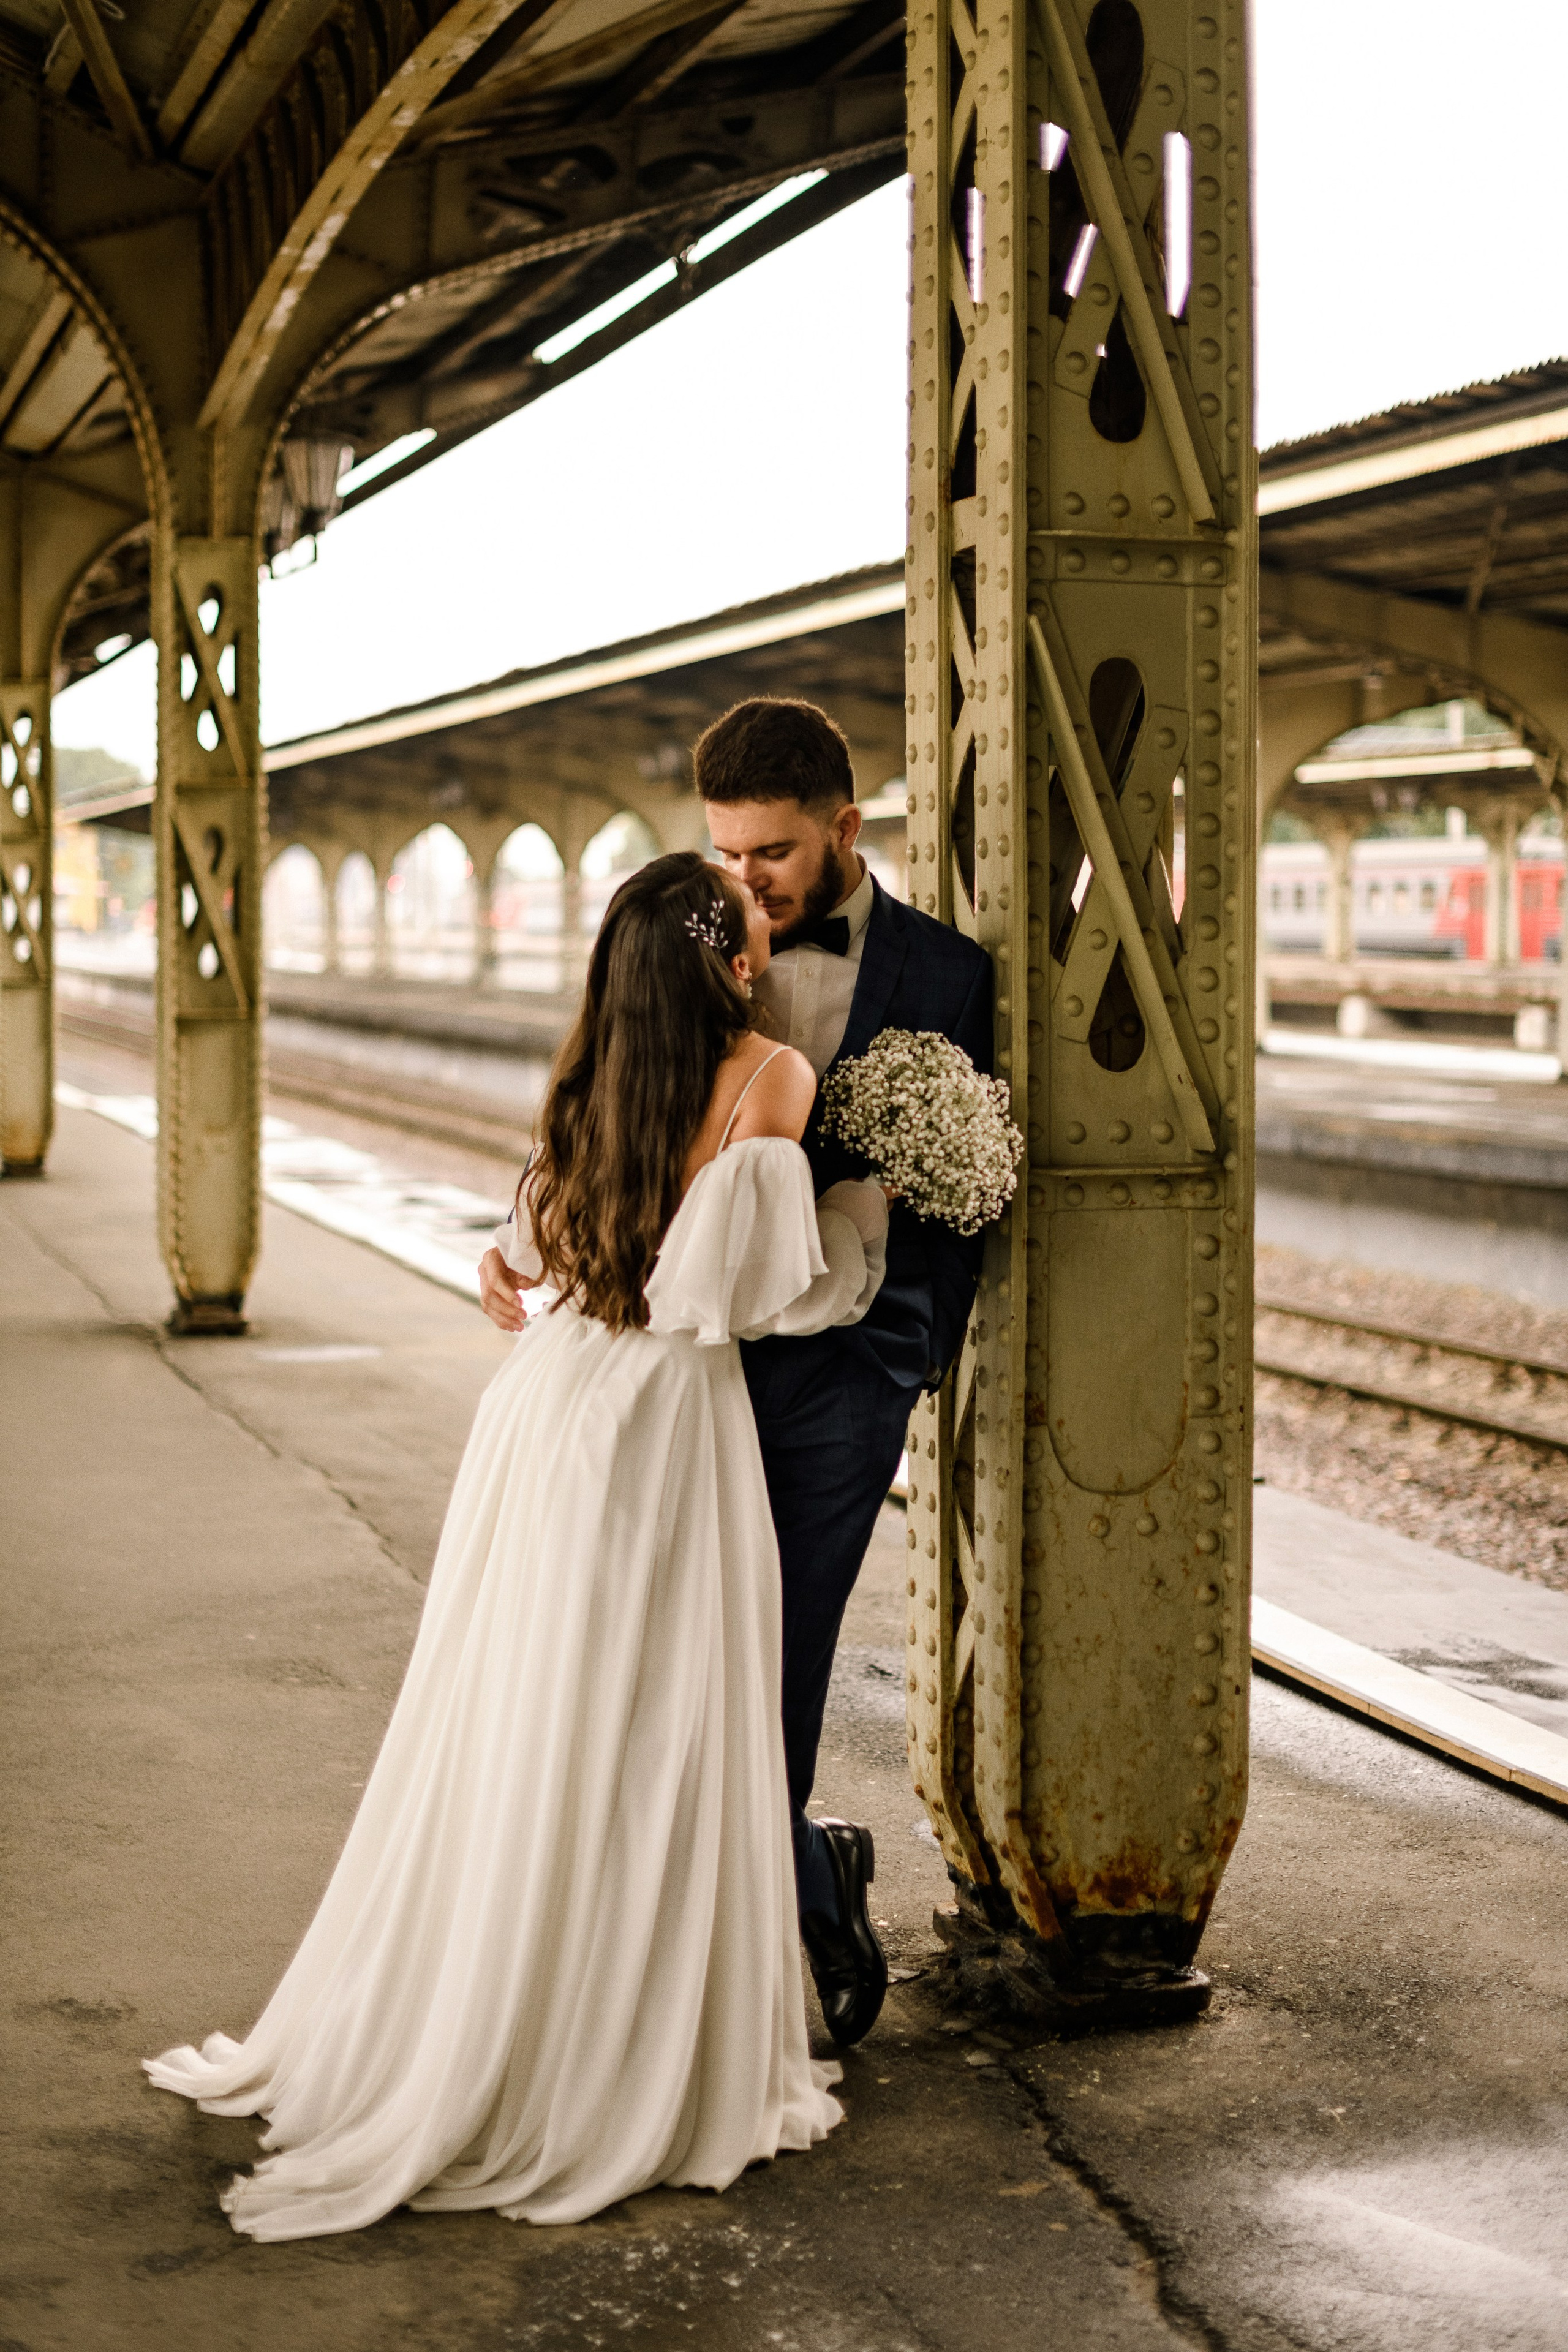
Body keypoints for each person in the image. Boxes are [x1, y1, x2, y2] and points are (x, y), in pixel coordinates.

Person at [145, 853, 891, 2240]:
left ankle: (504, 2001)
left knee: (534, 1711)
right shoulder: (770, 1079)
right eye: (747, 936)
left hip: (548, 1410)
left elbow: (541, 1248)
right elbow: (758, 1299)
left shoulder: (591, 1081)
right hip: (670, 1427)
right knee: (658, 1720)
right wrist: (864, 1230)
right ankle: (615, 2033)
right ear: (731, 964)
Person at [484, 699, 992, 2052]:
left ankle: (749, 1931)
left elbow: (973, 1182)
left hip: (835, 1378)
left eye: (769, 852)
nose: (744, 882)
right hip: (673, 1380)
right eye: (723, 849)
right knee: (654, 1656)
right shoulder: (688, 934)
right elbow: (619, 1091)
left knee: (777, 1659)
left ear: (844, 829)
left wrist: (908, 1346)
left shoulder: (948, 978)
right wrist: (518, 1226)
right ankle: (776, 1897)